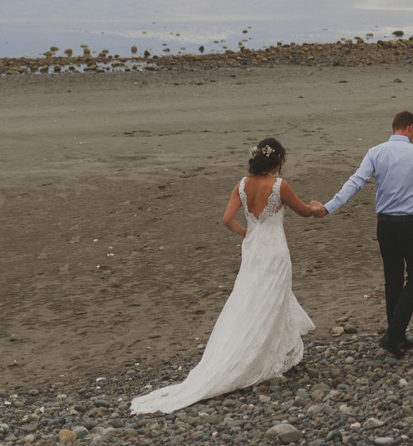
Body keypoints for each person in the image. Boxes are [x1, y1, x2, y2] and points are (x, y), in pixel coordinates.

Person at [130, 138, 322, 414]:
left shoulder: (242, 185)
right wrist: (316, 206)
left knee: (250, 297)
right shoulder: (279, 186)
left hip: (253, 250)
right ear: (278, 159)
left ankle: (266, 351)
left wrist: (245, 232)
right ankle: (266, 357)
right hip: (275, 252)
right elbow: (303, 211)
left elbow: (226, 219)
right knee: (272, 299)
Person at [315, 110, 413, 358]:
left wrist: (328, 207)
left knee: (392, 279)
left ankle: (398, 337)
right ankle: (394, 334)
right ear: (410, 128)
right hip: (411, 223)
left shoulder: (375, 152)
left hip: (385, 225)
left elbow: (355, 182)